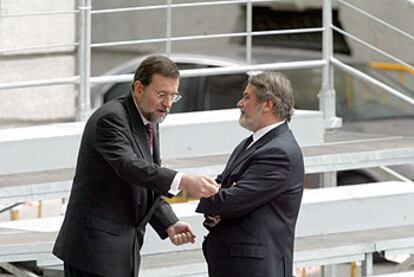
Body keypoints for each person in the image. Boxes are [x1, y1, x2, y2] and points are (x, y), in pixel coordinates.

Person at [53, 55, 219, 277]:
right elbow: (129, 167)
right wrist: (184, 181)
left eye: (173, 96)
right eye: (161, 94)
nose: (168, 104)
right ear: (139, 88)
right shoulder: (111, 118)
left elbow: (145, 180)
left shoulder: (149, 118)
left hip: (120, 250)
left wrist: (168, 222)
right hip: (94, 252)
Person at [196, 71, 304, 277]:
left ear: (268, 104)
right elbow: (224, 187)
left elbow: (233, 199)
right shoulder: (249, 143)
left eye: (247, 97)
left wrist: (214, 199)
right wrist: (217, 205)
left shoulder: (279, 152)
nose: (240, 103)